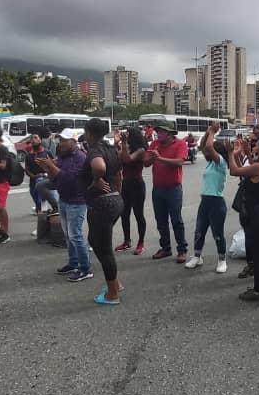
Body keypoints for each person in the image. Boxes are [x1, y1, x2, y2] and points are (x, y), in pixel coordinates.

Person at [227, 136, 259, 301]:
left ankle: (257, 289)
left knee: (258, 255)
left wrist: (230, 153)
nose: (253, 146)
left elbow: (235, 171)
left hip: (257, 217)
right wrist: (245, 153)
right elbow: (246, 168)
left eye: (255, 145)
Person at [80, 119, 125, 304]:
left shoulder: (95, 149)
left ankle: (112, 294)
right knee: (96, 241)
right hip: (114, 200)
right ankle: (115, 282)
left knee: (103, 248)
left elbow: (99, 167)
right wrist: (117, 195)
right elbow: (119, 174)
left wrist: (95, 180)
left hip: (102, 203)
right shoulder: (110, 149)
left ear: (90, 133)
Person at [37, 132, 92, 282]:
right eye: (60, 140)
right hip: (65, 199)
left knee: (75, 235)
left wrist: (51, 166)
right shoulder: (63, 156)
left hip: (77, 201)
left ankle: (85, 268)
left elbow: (70, 178)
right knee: (68, 235)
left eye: (64, 140)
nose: (60, 143)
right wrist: (47, 167)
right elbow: (55, 179)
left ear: (73, 141)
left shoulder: (80, 158)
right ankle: (74, 263)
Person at [186, 121, 230, 272]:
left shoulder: (222, 163)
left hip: (217, 202)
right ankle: (197, 257)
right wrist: (208, 131)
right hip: (205, 201)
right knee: (199, 231)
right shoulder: (211, 163)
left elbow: (209, 147)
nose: (207, 151)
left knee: (218, 234)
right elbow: (204, 146)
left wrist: (213, 132)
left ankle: (222, 260)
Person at [146, 121, 188, 262]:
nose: (158, 133)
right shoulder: (154, 144)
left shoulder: (180, 144)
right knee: (160, 221)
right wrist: (151, 158)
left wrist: (160, 158)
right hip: (157, 188)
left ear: (170, 133)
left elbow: (179, 162)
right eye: (158, 131)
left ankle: (182, 250)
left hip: (173, 189)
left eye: (161, 131)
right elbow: (146, 163)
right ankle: (166, 248)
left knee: (176, 220)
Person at [115, 126, 147, 255]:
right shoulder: (126, 148)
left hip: (137, 184)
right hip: (126, 184)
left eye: (127, 135)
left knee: (138, 214)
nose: (125, 137)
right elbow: (117, 157)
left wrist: (122, 143)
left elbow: (127, 159)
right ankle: (127, 241)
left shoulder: (140, 150)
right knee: (125, 214)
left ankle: (141, 243)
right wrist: (117, 143)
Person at [24, 128, 53, 216]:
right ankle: (40, 210)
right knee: (36, 199)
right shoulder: (29, 155)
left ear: (40, 140)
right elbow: (27, 169)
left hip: (45, 180)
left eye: (35, 137)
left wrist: (45, 174)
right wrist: (33, 176)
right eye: (32, 138)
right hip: (33, 181)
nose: (33, 140)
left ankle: (43, 213)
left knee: (42, 199)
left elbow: (53, 166)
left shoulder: (47, 152)